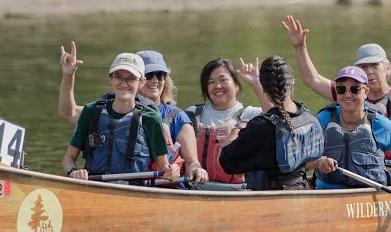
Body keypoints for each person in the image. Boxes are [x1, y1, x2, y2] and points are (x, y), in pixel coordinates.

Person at [281, 15, 391, 151]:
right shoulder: (347, 93)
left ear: (387, 67)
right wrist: (300, 47)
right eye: (364, 67)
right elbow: (312, 79)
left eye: (374, 65)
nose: (369, 71)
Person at [309, 66, 391, 208]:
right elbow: (304, 158)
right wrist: (318, 162)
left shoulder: (379, 123)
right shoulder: (324, 119)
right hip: (328, 192)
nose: (347, 95)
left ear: (366, 92)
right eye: (341, 89)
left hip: (370, 194)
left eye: (354, 89)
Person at [61, 52, 177, 184]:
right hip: (94, 187)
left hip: (134, 193)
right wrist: (73, 171)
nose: (124, 83)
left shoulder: (151, 118)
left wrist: (170, 171)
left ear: (142, 81)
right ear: (111, 78)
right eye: (118, 77)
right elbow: (68, 158)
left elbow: (163, 166)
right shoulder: (91, 111)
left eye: (131, 78)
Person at [218, 56, 326, 190]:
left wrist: (236, 130)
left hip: (268, 200)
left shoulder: (260, 126)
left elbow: (225, 162)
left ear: (265, 90)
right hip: (301, 192)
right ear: (292, 86)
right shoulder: (311, 118)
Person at [184, 57, 267, 189]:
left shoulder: (250, 114)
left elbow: (275, 114)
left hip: (238, 191)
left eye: (223, 80)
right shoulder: (192, 114)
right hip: (197, 188)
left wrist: (256, 84)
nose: (217, 86)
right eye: (211, 82)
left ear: (236, 85)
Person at [135, 49, 209, 187]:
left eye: (160, 75)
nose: (155, 80)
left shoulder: (177, 117)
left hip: (168, 191)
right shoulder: (121, 110)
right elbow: (81, 112)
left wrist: (197, 170)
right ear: (136, 78)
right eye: (149, 75)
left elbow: (192, 163)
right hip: (131, 185)